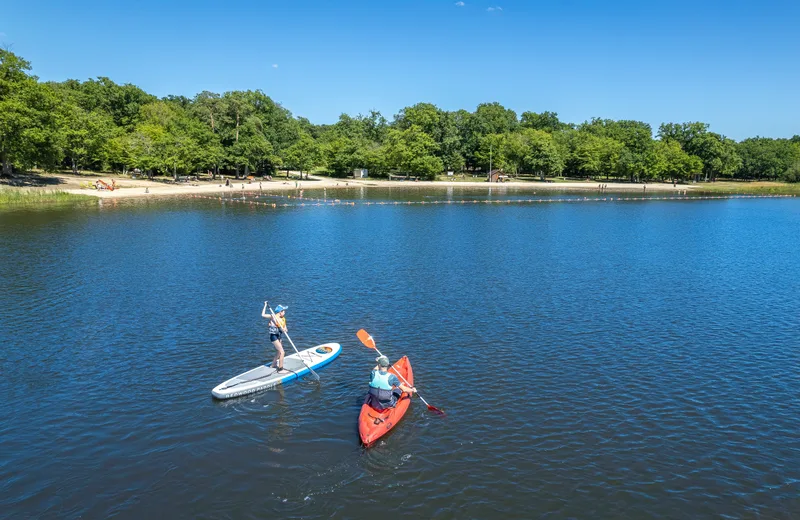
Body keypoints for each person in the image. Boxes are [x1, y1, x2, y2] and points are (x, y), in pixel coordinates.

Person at [263, 302, 288, 372]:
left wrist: (285, 329)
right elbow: (263, 315)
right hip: (273, 336)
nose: (285, 312)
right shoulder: (273, 316)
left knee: (279, 352)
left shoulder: (283, 319)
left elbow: (285, 328)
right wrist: (265, 305)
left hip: (279, 336)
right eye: (284, 311)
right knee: (282, 352)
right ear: (280, 312)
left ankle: (273, 364)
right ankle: (280, 369)